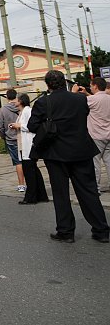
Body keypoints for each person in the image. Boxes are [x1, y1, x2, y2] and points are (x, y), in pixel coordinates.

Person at [27, 70, 109, 243]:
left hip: (56, 154)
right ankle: (101, 230)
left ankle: (66, 231)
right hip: (81, 151)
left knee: (61, 193)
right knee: (88, 191)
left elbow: (32, 126)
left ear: (48, 84)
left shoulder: (43, 102)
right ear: (65, 82)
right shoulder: (81, 99)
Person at [9, 94, 49, 205]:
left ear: (21, 101)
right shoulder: (21, 112)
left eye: (16, 99)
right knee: (33, 170)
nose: (14, 102)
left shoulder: (28, 111)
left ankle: (31, 197)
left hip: (28, 144)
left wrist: (19, 126)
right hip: (23, 145)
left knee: (29, 171)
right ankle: (41, 195)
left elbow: (32, 126)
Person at [72, 77, 110, 191]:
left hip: (96, 136)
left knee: (95, 163)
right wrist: (87, 93)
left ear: (95, 86)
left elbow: (76, 104)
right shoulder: (108, 98)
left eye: (91, 85)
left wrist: (74, 93)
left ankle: (96, 188)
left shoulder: (91, 100)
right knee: (109, 162)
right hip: (108, 134)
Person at [0, 89, 25, 192]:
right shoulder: (21, 107)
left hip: (11, 139)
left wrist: (3, 136)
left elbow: (0, 126)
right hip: (23, 137)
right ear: (16, 96)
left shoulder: (3, 110)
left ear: (6, 97)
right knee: (27, 161)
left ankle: (21, 185)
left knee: (18, 162)